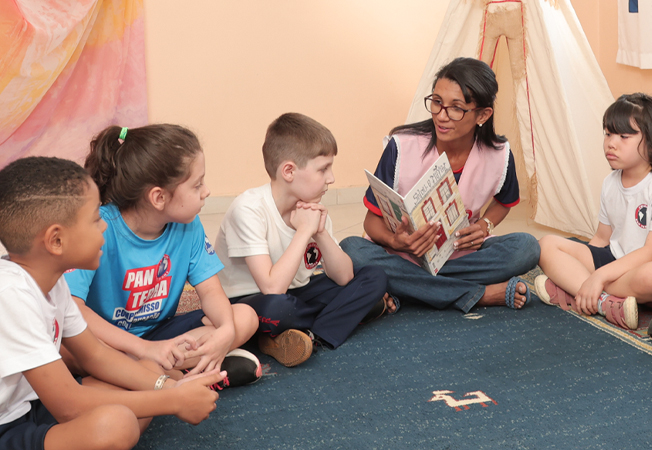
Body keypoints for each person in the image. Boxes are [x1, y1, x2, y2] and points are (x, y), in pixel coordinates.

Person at [0, 156, 222, 450]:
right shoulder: (10, 294)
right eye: (95, 219)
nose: (105, 226)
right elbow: (68, 404)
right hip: (7, 427)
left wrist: (170, 387)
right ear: (56, 241)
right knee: (115, 426)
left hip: (32, 405)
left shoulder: (51, 282)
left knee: (148, 376)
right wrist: (172, 400)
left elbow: (95, 356)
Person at [64, 124, 260, 389]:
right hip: (103, 341)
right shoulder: (99, 227)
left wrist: (225, 330)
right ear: (158, 197)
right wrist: (143, 349)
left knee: (244, 317)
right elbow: (72, 310)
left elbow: (212, 292)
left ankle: (149, 376)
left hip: (160, 337)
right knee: (66, 348)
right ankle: (181, 374)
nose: (206, 192)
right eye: (197, 184)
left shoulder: (189, 225)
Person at [340, 57, 540, 312]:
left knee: (527, 248)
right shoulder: (401, 147)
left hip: (460, 256)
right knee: (352, 250)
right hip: (401, 256)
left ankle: (408, 288)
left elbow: (504, 202)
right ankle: (479, 295)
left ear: (482, 114)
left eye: (455, 108)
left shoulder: (499, 154)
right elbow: (371, 222)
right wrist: (396, 241)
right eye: (436, 102)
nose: (441, 116)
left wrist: (484, 225)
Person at [215, 112, 389, 367]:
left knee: (375, 277)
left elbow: (344, 278)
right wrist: (304, 232)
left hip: (297, 295)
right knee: (278, 308)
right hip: (250, 302)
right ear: (288, 171)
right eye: (323, 169)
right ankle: (331, 321)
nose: (331, 178)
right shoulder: (249, 209)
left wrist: (320, 232)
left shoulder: (311, 208)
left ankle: (307, 337)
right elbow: (272, 288)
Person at [533, 93, 652, 330]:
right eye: (608, 133)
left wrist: (598, 277)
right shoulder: (610, 182)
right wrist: (588, 263)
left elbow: (651, 252)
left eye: (624, 136)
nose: (611, 143)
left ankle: (577, 288)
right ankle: (604, 302)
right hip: (616, 260)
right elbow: (601, 238)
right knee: (546, 245)